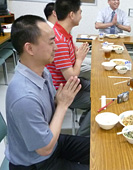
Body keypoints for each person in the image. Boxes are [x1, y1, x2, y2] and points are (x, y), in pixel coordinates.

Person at [6, 15, 90, 169]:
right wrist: (63, 105)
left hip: (53, 142)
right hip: (36, 162)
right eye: (51, 42)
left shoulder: (43, 72)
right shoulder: (24, 97)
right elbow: (45, 149)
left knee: (99, 150)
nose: (56, 48)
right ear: (29, 48)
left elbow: (51, 106)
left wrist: (59, 100)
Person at [46, 0, 91, 136]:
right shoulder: (59, 39)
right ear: (71, 15)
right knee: (98, 101)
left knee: (101, 88)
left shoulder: (64, 33)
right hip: (62, 90)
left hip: (69, 84)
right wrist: (79, 58)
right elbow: (71, 76)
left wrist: (76, 54)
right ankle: (81, 138)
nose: (81, 16)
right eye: (80, 12)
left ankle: (86, 120)